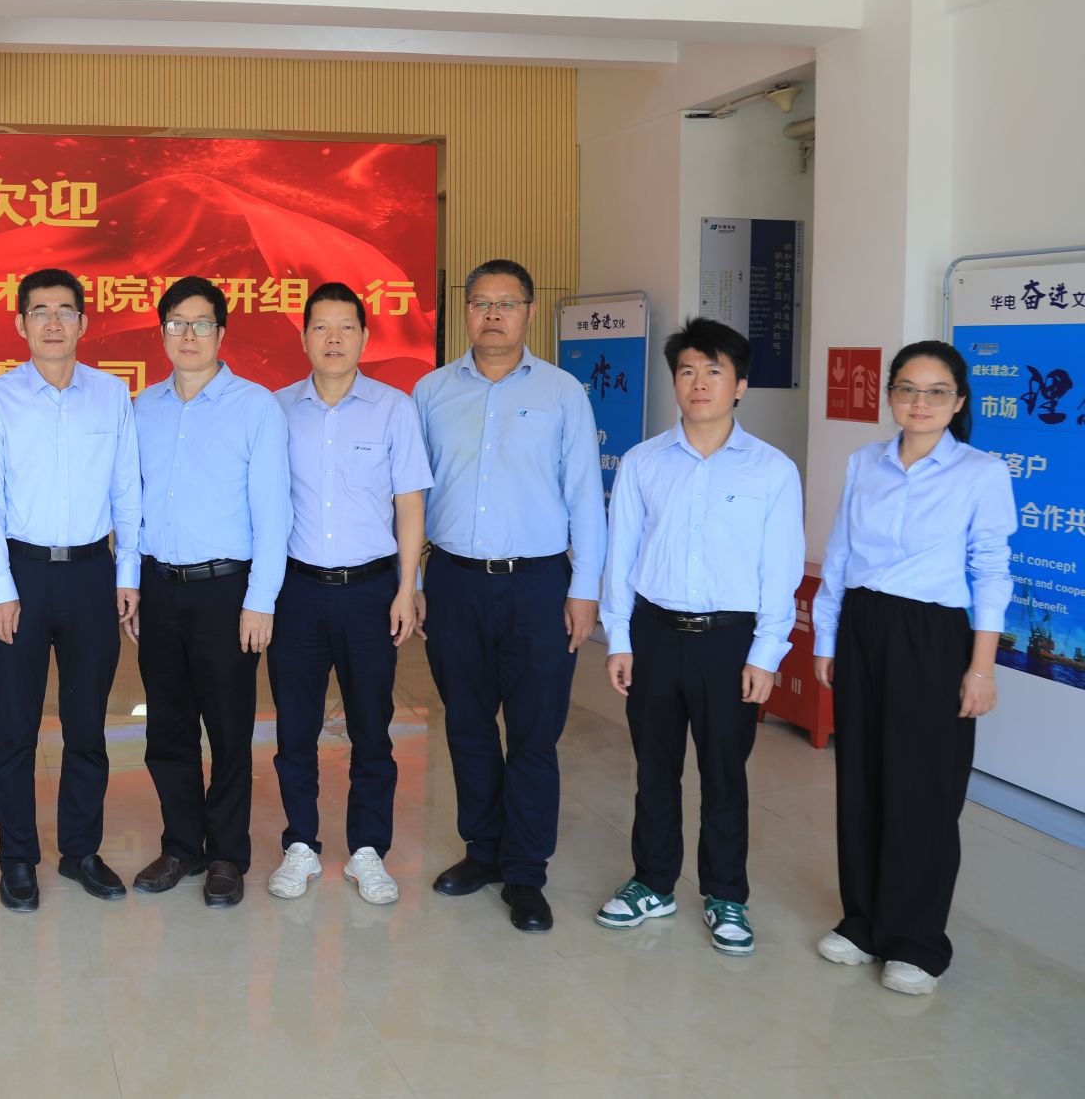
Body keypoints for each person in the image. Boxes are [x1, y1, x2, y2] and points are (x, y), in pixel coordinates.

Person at [811, 340, 1016, 996]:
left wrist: (981, 667)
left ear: (958, 402)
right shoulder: (864, 462)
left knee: (924, 788)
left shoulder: (981, 472)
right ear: (891, 395)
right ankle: (863, 921)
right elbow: (840, 554)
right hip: (864, 623)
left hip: (933, 635)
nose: (919, 402)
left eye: (935, 391)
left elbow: (991, 571)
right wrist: (826, 639)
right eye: (906, 388)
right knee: (862, 776)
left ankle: (917, 940)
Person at [594, 318, 803, 956]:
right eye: (687, 371)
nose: (699, 383)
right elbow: (621, 555)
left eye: (715, 371)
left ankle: (725, 894)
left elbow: (781, 569)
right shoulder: (643, 462)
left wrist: (766, 654)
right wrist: (619, 638)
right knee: (654, 768)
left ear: (740, 385)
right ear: (675, 382)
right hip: (654, 633)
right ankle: (653, 882)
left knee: (724, 773)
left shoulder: (771, 470)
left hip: (729, 642)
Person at [415, 259, 604, 933]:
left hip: (538, 584)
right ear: (465, 311)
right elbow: (410, 495)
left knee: (533, 732)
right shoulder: (431, 391)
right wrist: (413, 584)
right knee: (466, 725)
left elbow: (586, 494)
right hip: (455, 580)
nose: (493, 314)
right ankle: (483, 851)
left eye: (507, 303)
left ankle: (525, 871)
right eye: (481, 303)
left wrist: (585, 589)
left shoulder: (562, 392)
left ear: (528, 311)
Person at [0, 267, 142, 912]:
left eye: (65, 310)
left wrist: (127, 575)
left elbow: (127, 490)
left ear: (83, 323)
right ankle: (17, 858)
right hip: (23, 574)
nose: (52, 322)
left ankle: (81, 850)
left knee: (87, 725)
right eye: (39, 311)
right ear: (20, 323)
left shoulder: (111, 395)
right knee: (15, 729)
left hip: (93, 574)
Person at [267, 282, 429, 905]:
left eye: (346, 327)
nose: (333, 339)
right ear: (304, 336)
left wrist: (407, 587)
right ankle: (300, 845)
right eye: (321, 327)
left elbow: (409, 504)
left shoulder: (393, 409)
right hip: (297, 592)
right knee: (295, 727)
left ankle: (368, 849)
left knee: (372, 726)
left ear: (364, 336)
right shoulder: (277, 409)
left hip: (370, 591)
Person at [131, 277, 289, 909]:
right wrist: (130, 584)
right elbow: (129, 506)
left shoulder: (255, 408)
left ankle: (227, 854)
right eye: (177, 324)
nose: (188, 335)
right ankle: (181, 845)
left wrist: (261, 600)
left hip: (227, 592)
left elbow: (273, 513)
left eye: (201, 323)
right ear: (162, 332)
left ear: (222, 333)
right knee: (167, 728)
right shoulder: (143, 407)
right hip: (159, 588)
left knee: (227, 730)